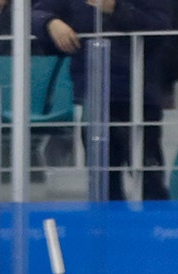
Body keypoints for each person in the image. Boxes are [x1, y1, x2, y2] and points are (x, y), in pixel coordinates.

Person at [32, 0, 169, 202]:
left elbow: (160, 28)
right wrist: (50, 23)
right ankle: (107, 230)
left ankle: (155, 228)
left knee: (149, 177)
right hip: (94, 95)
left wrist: (117, 9)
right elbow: (36, 13)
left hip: (138, 95)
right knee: (102, 181)